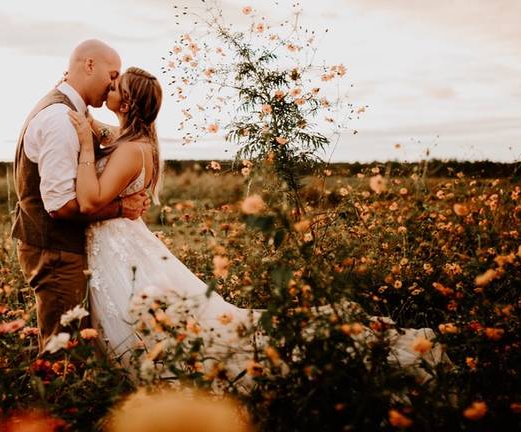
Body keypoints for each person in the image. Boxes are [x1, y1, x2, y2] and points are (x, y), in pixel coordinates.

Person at [67, 67, 448, 385]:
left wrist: (85, 145)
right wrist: (79, 104)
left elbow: (90, 199)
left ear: (129, 101)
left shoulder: (133, 148)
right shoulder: (131, 139)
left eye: (116, 86)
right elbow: (108, 134)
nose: (109, 87)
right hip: (121, 242)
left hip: (118, 246)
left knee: (153, 330)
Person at [11, 40, 150, 354]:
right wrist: (120, 207)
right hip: (56, 249)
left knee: (73, 342)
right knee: (64, 350)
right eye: (112, 75)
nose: (115, 84)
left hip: (63, 247)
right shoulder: (60, 118)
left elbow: (123, 139)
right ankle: (57, 402)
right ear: (89, 65)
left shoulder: (73, 112)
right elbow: (60, 206)